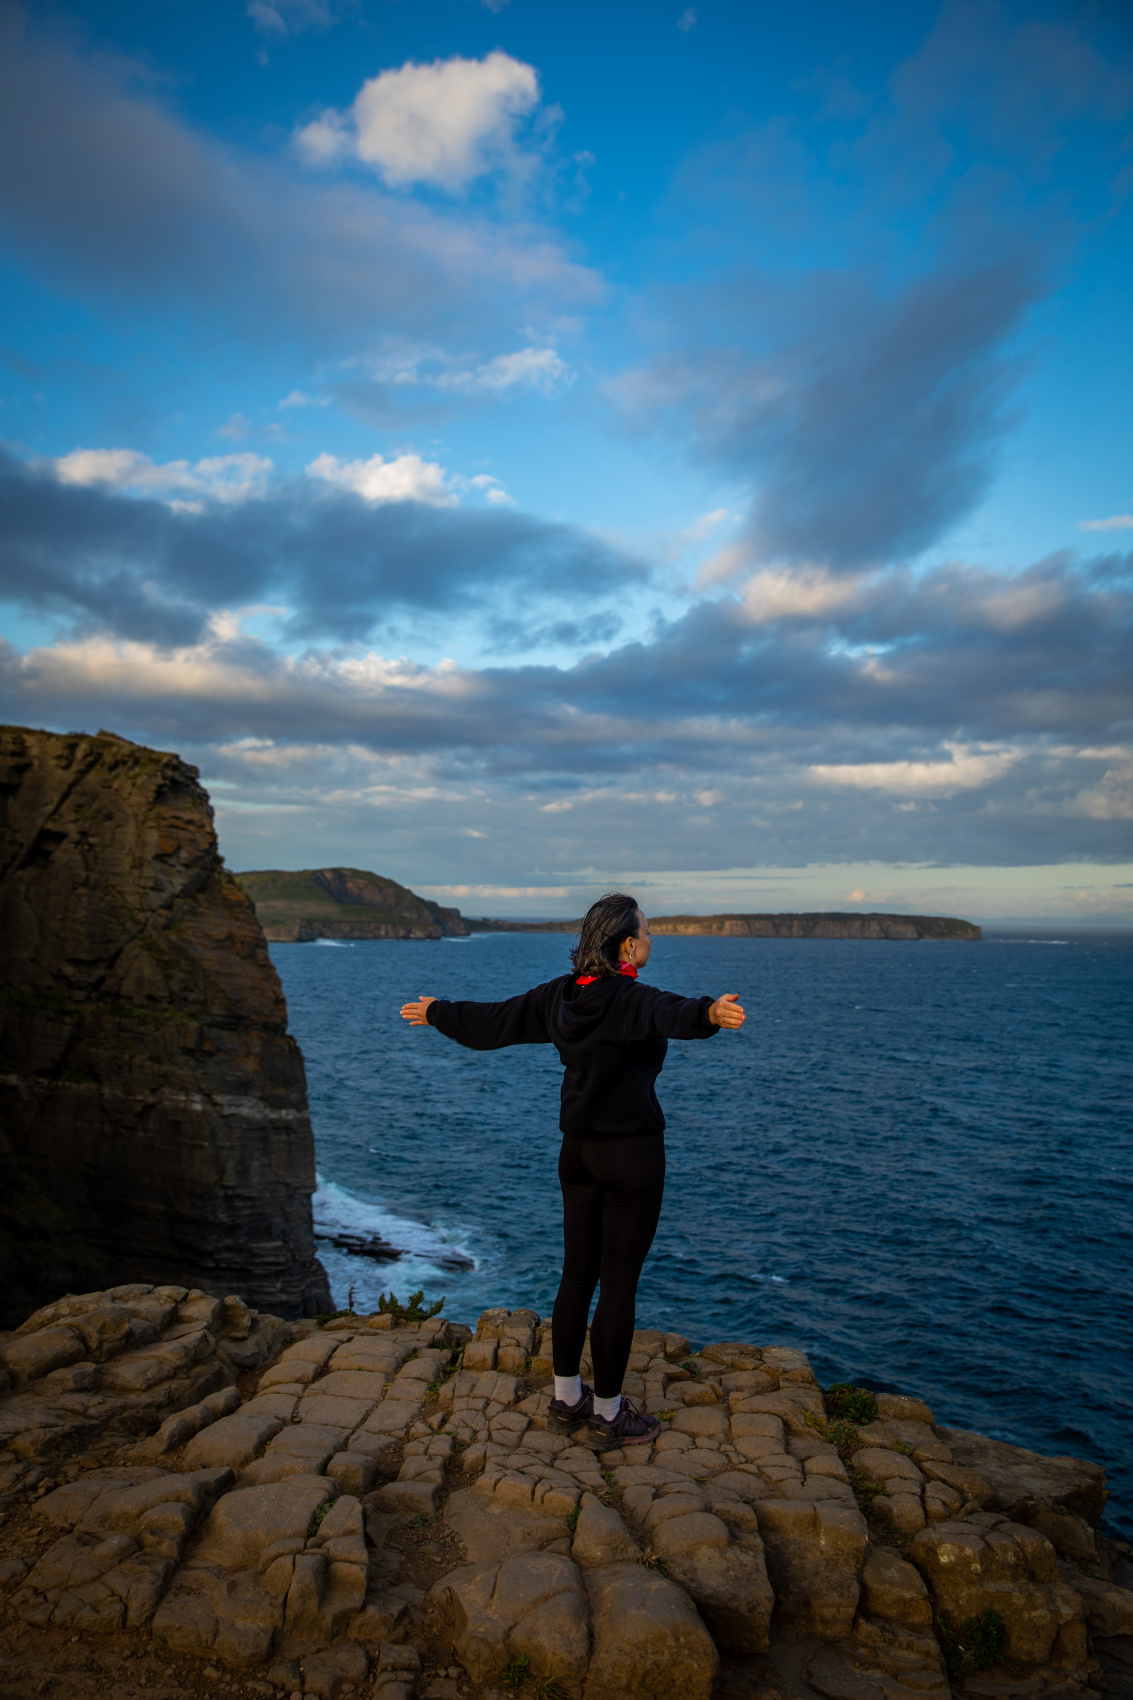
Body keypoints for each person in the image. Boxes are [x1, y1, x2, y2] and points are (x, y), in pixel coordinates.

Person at [400, 891, 745, 1451]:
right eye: (646, 931)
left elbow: (494, 1022)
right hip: (630, 1156)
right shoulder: (631, 998)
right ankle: (608, 1414)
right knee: (619, 1284)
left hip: (577, 1153)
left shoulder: (560, 995)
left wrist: (439, 1011)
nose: (651, 939)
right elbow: (674, 1012)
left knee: (577, 1275)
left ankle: (566, 1400)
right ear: (627, 945)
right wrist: (710, 1013)